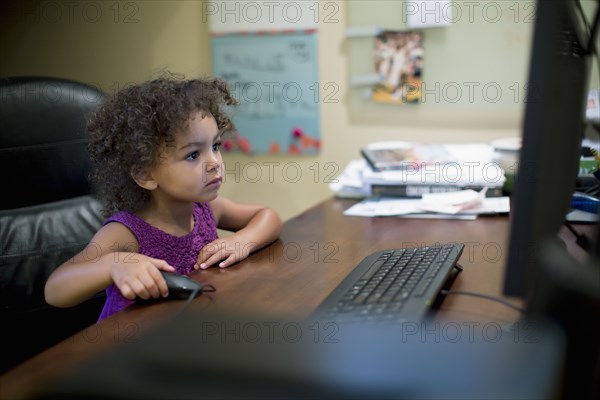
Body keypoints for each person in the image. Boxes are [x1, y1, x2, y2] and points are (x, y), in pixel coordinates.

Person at [44, 74, 283, 320]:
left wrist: (242, 241)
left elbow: (267, 216)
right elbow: (55, 289)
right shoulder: (126, 232)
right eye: (193, 155)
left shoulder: (206, 209)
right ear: (145, 174)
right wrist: (112, 265)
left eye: (215, 146)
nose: (214, 163)